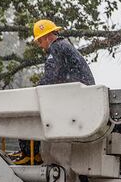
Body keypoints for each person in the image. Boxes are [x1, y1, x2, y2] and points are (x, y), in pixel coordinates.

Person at [10, 19, 96, 165]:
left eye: (39, 41)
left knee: (27, 110)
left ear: (47, 37)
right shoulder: (65, 46)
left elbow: (50, 77)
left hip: (74, 98)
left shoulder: (56, 48)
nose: (40, 45)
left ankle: (29, 154)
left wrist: (36, 89)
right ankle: (32, 153)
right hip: (80, 97)